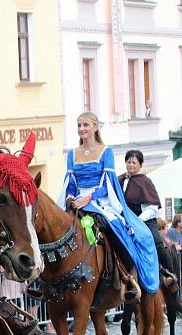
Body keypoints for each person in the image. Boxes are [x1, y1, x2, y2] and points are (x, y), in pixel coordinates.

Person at [58, 112, 159, 295]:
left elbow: (108, 185)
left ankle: (127, 275)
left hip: (99, 201)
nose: (81, 129)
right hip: (77, 202)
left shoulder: (106, 152)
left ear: (95, 127)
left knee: (115, 228)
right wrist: (70, 198)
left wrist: (88, 198)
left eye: (85, 125)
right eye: (79, 125)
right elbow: (70, 183)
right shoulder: (73, 154)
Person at [118, 149, 177, 290]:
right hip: (125, 220)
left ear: (140, 165)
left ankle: (169, 272)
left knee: (156, 241)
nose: (131, 165)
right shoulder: (120, 179)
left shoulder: (145, 181)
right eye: (128, 162)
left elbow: (152, 208)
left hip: (144, 219)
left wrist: (137, 221)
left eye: (134, 162)